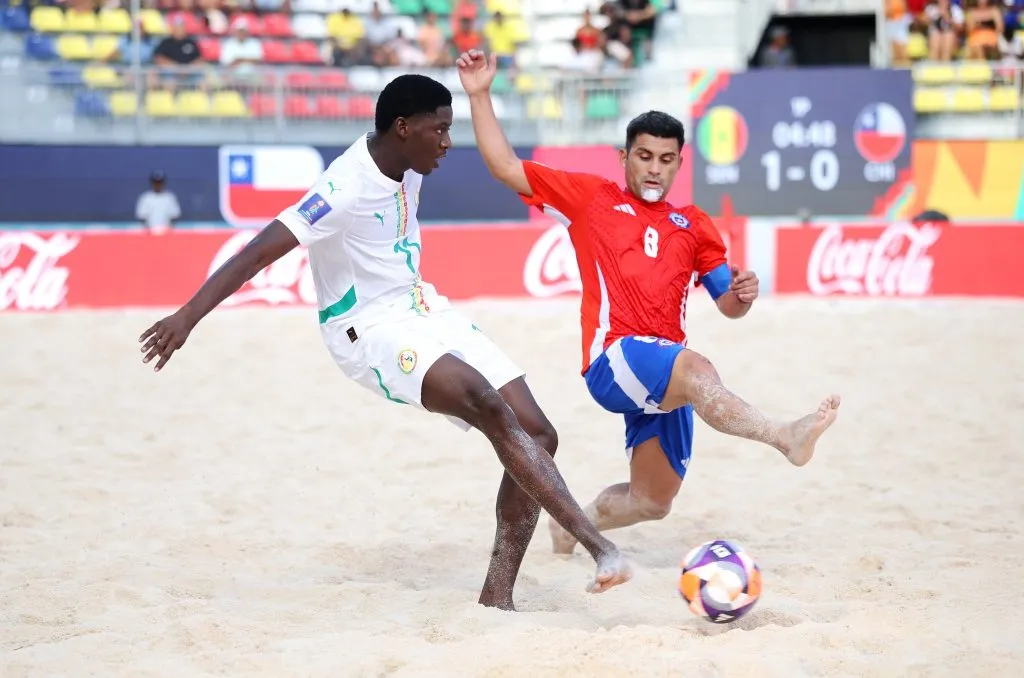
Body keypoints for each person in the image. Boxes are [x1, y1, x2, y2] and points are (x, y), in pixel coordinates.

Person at [136, 74, 631, 610]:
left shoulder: (406, 161)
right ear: (404, 127)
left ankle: (496, 596)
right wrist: (187, 316)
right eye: (439, 130)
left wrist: (479, 90)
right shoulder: (341, 188)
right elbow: (258, 253)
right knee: (486, 405)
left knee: (539, 433)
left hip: (423, 307)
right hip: (366, 329)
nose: (447, 142)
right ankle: (597, 544)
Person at [456, 49, 841, 555]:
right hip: (615, 358)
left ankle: (572, 525)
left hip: (666, 365)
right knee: (700, 368)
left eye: (666, 159)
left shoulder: (695, 224)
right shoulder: (592, 200)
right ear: (624, 157)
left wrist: (742, 296)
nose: (654, 169)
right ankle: (783, 435)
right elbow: (506, 167)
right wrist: (480, 93)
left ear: (680, 162)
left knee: (651, 501)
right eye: (644, 156)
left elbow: (726, 302)